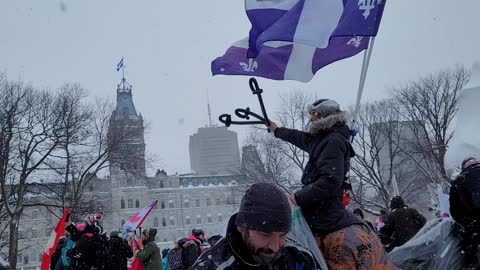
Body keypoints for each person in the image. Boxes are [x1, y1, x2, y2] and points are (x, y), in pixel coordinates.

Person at [267, 99, 394, 269]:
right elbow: (299, 138)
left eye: (314, 114)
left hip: (328, 223)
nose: (310, 119)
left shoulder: (333, 140)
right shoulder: (321, 139)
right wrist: (276, 130)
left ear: (322, 115)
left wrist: (298, 197)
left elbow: (330, 181)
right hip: (321, 219)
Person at [190, 183, 318, 270]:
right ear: (241, 228)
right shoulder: (212, 265)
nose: (275, 247)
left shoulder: (299, 258)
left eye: (282, 235)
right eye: (265, 235)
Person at [449, 157, 480, 267]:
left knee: (470, 258)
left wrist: (466, 223)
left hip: (474, 229)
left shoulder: (459, 181)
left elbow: (454, 212)